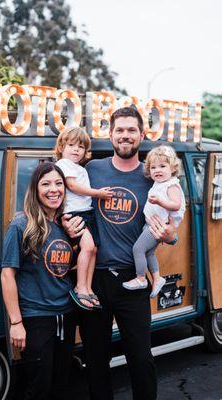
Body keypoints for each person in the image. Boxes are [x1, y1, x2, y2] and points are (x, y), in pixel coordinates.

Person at [62, 107, 177, 400]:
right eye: (120, 130)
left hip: (133, 280)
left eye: (131, 130)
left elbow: (172, 227)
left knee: (141, 358)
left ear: (142, 135)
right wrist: (67, 222)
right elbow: (69, 203)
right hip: (95, 280)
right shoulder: (93, 171)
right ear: (110, 134)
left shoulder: (153, 176)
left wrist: (170, 236)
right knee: (96, 359)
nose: (125, 136)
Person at [1, 162, 76, 400]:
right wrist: (16, 322)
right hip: (36, 318)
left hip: (66, 314)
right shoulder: (22, 225)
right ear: (35, 190)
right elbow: (7, 275)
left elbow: (62, 267)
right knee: (38, 387)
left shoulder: (65, 225)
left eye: (58, 183)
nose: (53, 189)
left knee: (62, 383)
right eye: (46, 184)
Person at [55, 127, 113, 310]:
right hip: (75, 213)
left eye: (81, 146)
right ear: (61, 148)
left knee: (94, 249)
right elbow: (72, 186)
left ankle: (88, 287)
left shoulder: (80, 168)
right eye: (71, 145)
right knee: (87, 247)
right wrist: (97, 193)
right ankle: (80, 286)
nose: (76, 149)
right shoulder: (64, 164)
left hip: (86, 211)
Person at [123, 145, 186, 298]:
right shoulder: (159, 184)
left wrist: (159, 202)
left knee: (138, 249)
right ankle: (157, 279)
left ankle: (141, 278)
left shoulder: (172, 185)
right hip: (151, 223)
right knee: (149, 252)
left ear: (173, 168)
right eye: (153, 167)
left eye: (162, 166)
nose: (157, 170)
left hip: (159, 225)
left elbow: (175, 204)